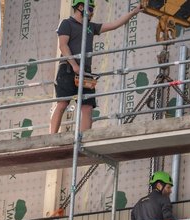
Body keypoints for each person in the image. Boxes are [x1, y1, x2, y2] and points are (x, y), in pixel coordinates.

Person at [49, 0, 143, 133]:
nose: (92, 12)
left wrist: (133, 13)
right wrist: (75, 65)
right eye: (91, 9)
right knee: (62, 103)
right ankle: (52, 137)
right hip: (68, 69)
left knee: (87, 107)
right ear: (80, 7)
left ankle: (84, 139)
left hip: (85, 71)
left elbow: (114, 25)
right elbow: (63, 46)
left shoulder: (90, 27)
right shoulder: (67, 23)